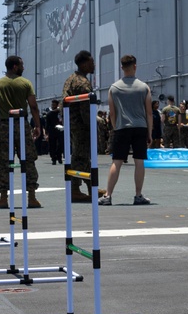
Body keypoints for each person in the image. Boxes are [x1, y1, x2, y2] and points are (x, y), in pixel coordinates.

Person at [0, 55, 42, 209]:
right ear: (14, 66)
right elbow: (33, 107)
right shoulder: (25, 83)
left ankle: (3, 198)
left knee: (4, 162)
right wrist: (38, 126)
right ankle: (32, 197)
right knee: (28, 159)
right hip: (22, 124)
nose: (23, 68)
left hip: (5, 126)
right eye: (21, 65)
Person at [99, 54, 153, 206]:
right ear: (135, 66)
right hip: (140, 127)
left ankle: (108, 196)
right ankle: (138, 195)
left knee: (117, 162)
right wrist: (149, 132)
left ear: (121, 67)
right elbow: (149, 112)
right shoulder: (144, 87)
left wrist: (117, 128)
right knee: (139, 161)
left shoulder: (114, 88)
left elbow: (112, 113)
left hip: (122, 128)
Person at [61, 49, 94, 202]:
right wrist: (92, 127)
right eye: (91, 62)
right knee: (80, 157)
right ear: (84, 63)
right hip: (81, 126)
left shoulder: (71, 79)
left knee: (82, 157)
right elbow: (86, 110)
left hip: (71, 124)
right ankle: (74, 189)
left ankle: (90, 186)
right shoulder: (83, 83)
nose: (93, 65)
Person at [44, 98, 63, 166]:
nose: (53, 106)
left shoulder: (60, 113)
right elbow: (47, 123)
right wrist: (46, 132)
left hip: (60, 130)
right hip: (52, 131)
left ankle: (59, 156)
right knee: (52, 145)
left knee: (61, 144)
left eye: (54, 104)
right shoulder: (49, 114)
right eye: (52, 104)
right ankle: (54, 159)